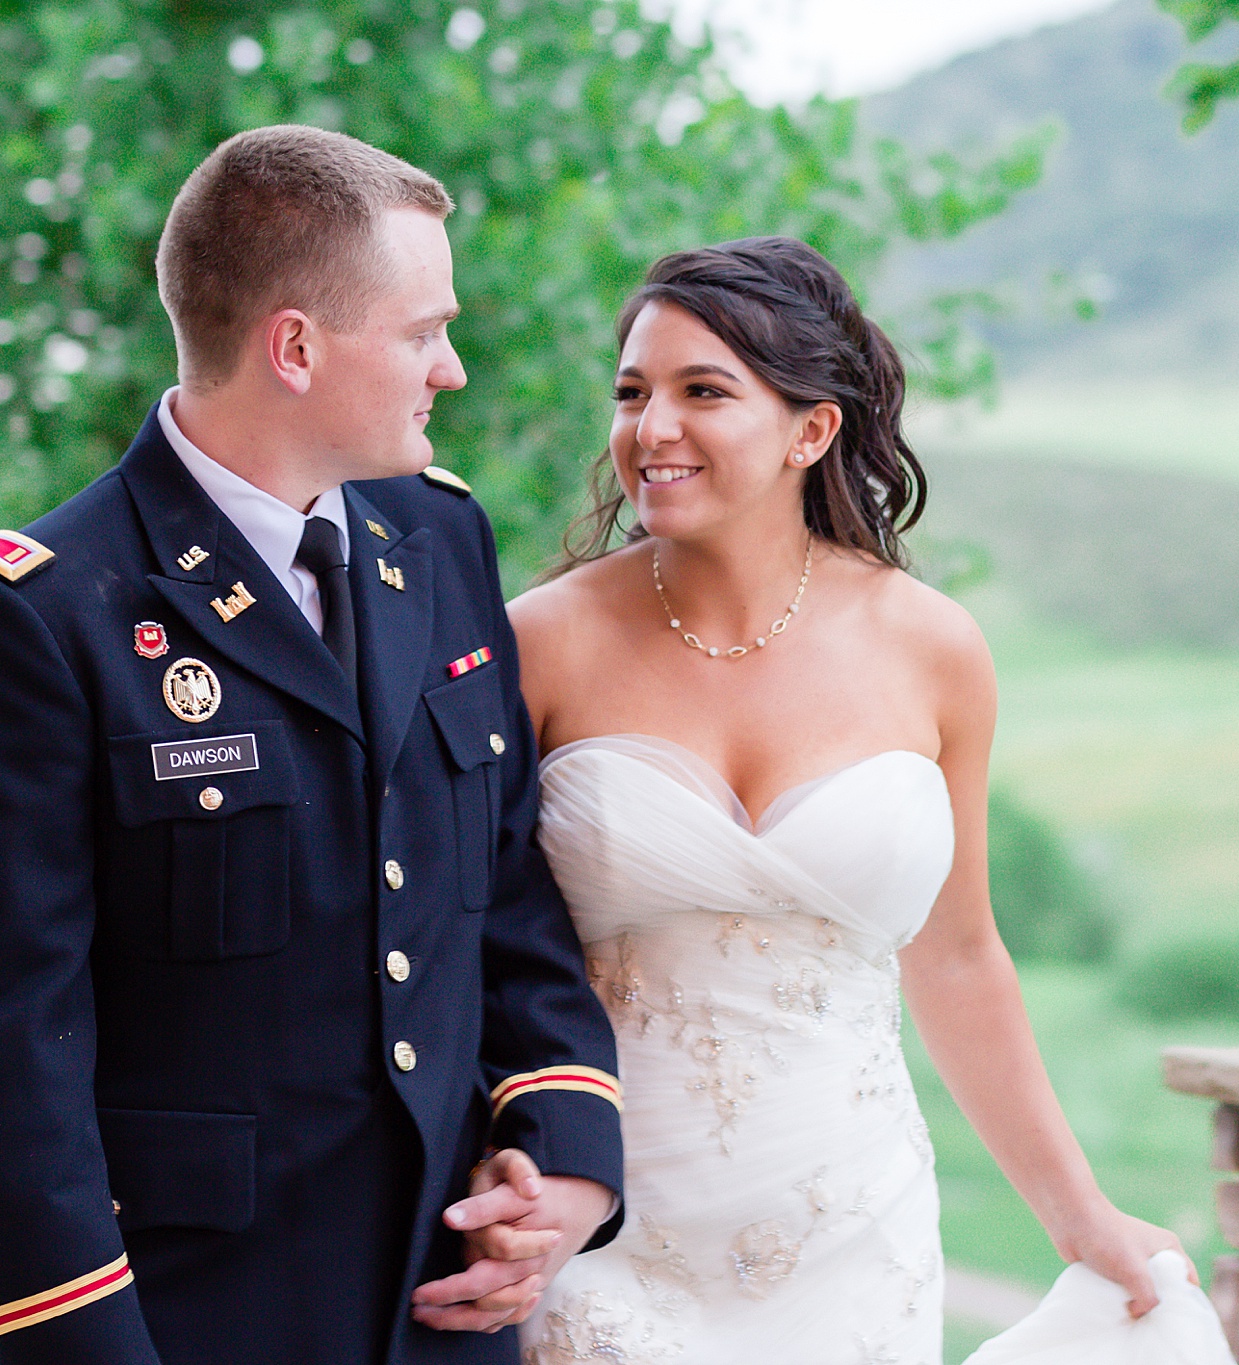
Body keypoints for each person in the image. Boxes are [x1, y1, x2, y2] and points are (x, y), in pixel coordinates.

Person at [0, 125, 622, 1365]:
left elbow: (501, 893)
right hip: (194, 1323)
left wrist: (567, 1160)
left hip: (445, 1318)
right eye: (423, 331)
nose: (454, 370)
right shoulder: (35, 615)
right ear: (294, 346)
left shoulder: (437, 541)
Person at [498, 237, 1191, 1363]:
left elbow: (959, 958)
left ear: (809, 431)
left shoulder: (931, 650)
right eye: (632, 393)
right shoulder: (542, 644)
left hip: (850, 1231)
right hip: (603, 1230)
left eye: (701, 392)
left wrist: (1077, 1214)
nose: (649, 428)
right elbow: (464, 942)